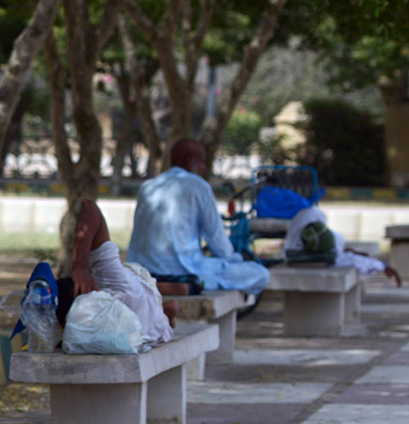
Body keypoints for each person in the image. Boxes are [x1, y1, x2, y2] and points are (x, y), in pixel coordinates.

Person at [127, 138, 271, 295]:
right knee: (260, 273)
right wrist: (236, 260)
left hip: (143, 271)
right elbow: (218, 242)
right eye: (202, 162)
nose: (203, 168)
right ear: (190, 160)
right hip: (183, 270)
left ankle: (162, 285)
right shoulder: (199, 186)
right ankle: (182, 285)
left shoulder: (148, 186)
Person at [64, 198, 177, 345]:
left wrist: (81, 266)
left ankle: (165, 310)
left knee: (155, 313)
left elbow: (89, 208)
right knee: (154, 311)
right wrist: (79, 266)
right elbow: (88, 205)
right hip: (144, 307)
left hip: (146, 318)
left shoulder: (110, 292)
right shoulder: (110, 283)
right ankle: (165, 309)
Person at [284, 205, 403, 286]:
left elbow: (343, 256)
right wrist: (381, 266)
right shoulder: (316, 237)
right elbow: (341, 258)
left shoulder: (311, 220)